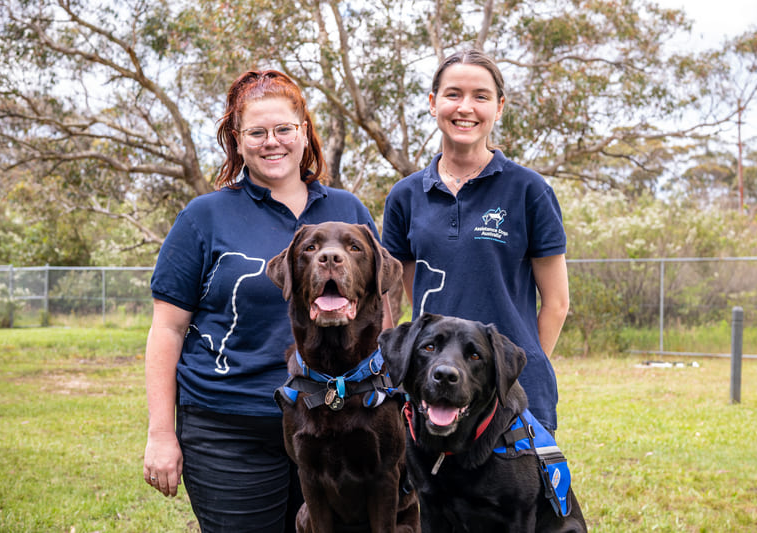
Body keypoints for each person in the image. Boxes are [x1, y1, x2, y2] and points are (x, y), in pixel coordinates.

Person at [143, 70, 382, 533]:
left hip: (336, 426)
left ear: (304, 131)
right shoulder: (204, 217)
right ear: (237, 139)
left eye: (284, 129)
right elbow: (167, 329)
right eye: (257, 132)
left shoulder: (347, 211)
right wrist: (160, 433)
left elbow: (378, 316)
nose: (272, 142)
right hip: (230, 429)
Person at [382, 49, 570, 433]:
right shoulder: (405, 197)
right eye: (453, 94)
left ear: (499, 107)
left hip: (512, 394)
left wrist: (510, 374)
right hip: (433, 390)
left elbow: (557, 303)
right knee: (428, 493)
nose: (465, 107)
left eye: (480, 96)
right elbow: (405, 297)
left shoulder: (529, 190)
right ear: (434, 103)